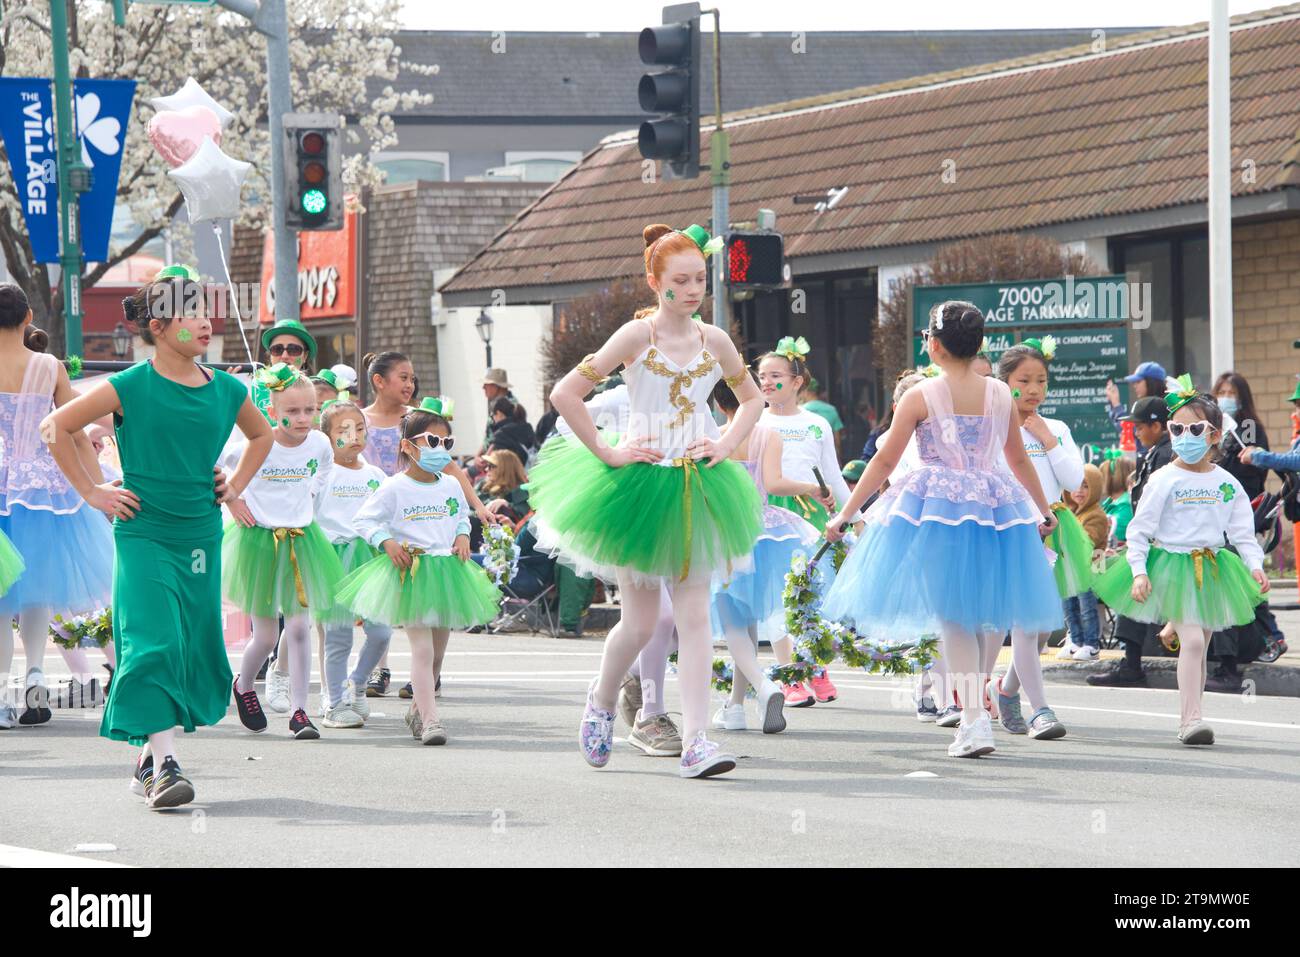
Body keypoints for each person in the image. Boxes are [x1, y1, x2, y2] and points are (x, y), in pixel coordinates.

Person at [529, 222, 763, 780]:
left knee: (694, 615)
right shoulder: (636, 337)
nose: (692, 289)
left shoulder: (717, 340)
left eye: (699, 279)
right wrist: (608, 452)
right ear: (654, 281)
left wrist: (727, 444)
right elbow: (566, 392)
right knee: (638, 623)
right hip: (639, 487)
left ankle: (698, 740)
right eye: (679, 280)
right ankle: (603, 700)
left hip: (699, 486)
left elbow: (752, 400)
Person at [42, 268, 273, 808]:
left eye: (205, 309)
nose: (205, 319)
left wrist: (234, 482)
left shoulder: (229, 388)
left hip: (199, 532)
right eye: (192, 311)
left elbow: (262, 434)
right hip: (142, 532)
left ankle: (147, 755)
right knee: (154, 642)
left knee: (191, 644)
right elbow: (56, 427)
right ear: (160, 326)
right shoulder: (129, 385)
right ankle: (165, 765)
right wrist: (93, 491)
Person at [820, 300, 1062, 759]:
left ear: (932, 344)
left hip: (937, 506)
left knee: (954, 616)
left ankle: (973, 721)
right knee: (970, 617)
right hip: (995, 505)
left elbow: (885, 460)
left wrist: (847, 513)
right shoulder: (998, 394)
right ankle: (975, 715)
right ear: (978, 345)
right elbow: (1018, 459)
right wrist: (1041, 508)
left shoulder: (920, 395)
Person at [1094, 379, 1268, 746]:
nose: (1184, 435)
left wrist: (1255, 566)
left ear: (1214, 435)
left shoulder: (1226, 483)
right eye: (1177, 428)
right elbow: (1140, 530)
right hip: (1172, 566)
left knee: (1201, 644)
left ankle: (1189, 690)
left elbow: (1241, 533)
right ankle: (1191, 720)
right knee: (1192, 643)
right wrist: (1139, 572)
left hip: (1214, 568)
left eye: (1195, 429)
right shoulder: (1163, 479)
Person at [336, 398, 502, 746]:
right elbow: (365, 519)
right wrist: (386, 542)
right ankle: (430, 720)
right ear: (407, 446)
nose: (440, 449)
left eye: (446, 443)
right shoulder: (394, 487)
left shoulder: (451, 485)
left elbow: (459, 516)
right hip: (412, 574)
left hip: (447, 572)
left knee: (438, 653)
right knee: (422, 651)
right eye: (431, 441)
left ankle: (417, 708)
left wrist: (461, 535)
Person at [0, 283, 114, 728]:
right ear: (29, 317)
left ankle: (4, 695)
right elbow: (76, 431)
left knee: (2, 598)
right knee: (38, 587)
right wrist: (99, 487)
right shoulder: (48, 366)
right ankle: (33, 678)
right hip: (43, 488)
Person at [224, 365, 345, 741]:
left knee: (298, 626)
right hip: (259, 541)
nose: (303, 418)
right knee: (262, 635)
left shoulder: (321, 444)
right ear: (273, 411)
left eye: (309, 409)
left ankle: (299, 711)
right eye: (292, 411)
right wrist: (233, 501)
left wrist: (310, 495)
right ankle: (244, 686)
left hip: (302, 540)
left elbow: (325, 472)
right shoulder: (255, 444)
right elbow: (217, 470)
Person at [709, 371, 820, 735]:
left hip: (724, 532)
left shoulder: (713, 437)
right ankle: (735, 708)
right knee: (749, 618)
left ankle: (764, 685)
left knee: (734, 621)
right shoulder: (766, 434)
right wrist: (811, 487)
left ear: (717, 402)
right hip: (764, 529)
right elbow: (773, 484)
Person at [983, 337, 1079, 739]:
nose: (1035, 389)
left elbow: (1074, 481)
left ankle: (1005, 691)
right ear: (1005, 382)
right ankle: (1040, 709)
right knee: (1025, 623)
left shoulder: (1054, 427)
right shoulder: (990, 425)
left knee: (1040, 627)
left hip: (1051, 531)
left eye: (1042, 380)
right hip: (1008, 531)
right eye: (1026, 380)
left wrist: (1048, 439)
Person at [757, 339, 843, 707]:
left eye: (775, 375)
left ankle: (815, 666)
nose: (766, 382)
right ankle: (788, 674)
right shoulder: (755, 420)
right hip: (769, 515)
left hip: (812, 515)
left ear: (797, 381)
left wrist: (851, 515)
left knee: (813, 592)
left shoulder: (816, 423)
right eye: (761, 376)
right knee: (779, 594)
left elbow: (833, 476)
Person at [314, 394, 391, 729]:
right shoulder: (321, 474)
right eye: (344, 430)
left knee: (382, 632)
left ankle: (357, 682)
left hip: (371, 560)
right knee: (338, 636)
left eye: (360, 428)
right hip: (334, 559)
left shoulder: (376, 474)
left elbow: (392, 512)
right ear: (327, 437)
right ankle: (333, 703)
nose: (354, 436)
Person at [1089, 396, 1175, 687]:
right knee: (1135, 593)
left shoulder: (1166, 455)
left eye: (1140, 426)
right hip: (1150, 540)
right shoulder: (1155, 452)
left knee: (1135, 591)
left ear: (1157, 425)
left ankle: (1133, 665)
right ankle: (1131, 663)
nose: (1136, 432)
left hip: (1165, 542)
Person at [1059, 464, 1110, 661]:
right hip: (1071, 569)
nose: (1079, 491)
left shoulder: (1095, 514)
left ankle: (1091, 644)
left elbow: (1088, 541)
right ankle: (1076, 640)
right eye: (1075, 486)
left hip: (1088, 570)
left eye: (1086, 486)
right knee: (1069, 606)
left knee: (1086, 608)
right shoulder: (1072, 513)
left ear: (1096, 488)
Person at [1104, 360, 1166, 451]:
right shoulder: (1144, 404)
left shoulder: (1165, 405)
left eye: (1138, 381)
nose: (1134, 385)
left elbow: (1130, 429)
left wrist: (1116, 405)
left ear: (1151, 382)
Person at [801, 377, 844, 457]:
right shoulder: (831, 410)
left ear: (806, 391)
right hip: (827, 456)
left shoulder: (800, 411)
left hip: (807, 456)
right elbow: (837, 440)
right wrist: (839, 457)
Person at [485, 396, 535, 464]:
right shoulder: (527, 428)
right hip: (531, 472)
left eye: (492, 415)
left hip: (509, 473)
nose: (493, 419)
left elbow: (491, 462)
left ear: (499, 413)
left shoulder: (501, 434)